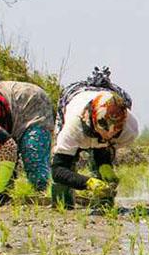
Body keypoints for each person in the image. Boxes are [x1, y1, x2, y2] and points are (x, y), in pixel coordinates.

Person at [51, 67, 140, 207]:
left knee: (103, 165)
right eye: (105, 130)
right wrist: (87, 183)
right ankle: (63, 203)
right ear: (93, 121)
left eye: (115, 132)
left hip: (112, 94)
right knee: (68, 166)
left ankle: (104, 203)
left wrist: (105, 166)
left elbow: (104, 147)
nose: (110, 134)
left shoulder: (130, 129)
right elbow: (58, 170)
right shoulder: (74, 125)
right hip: (73, 95)